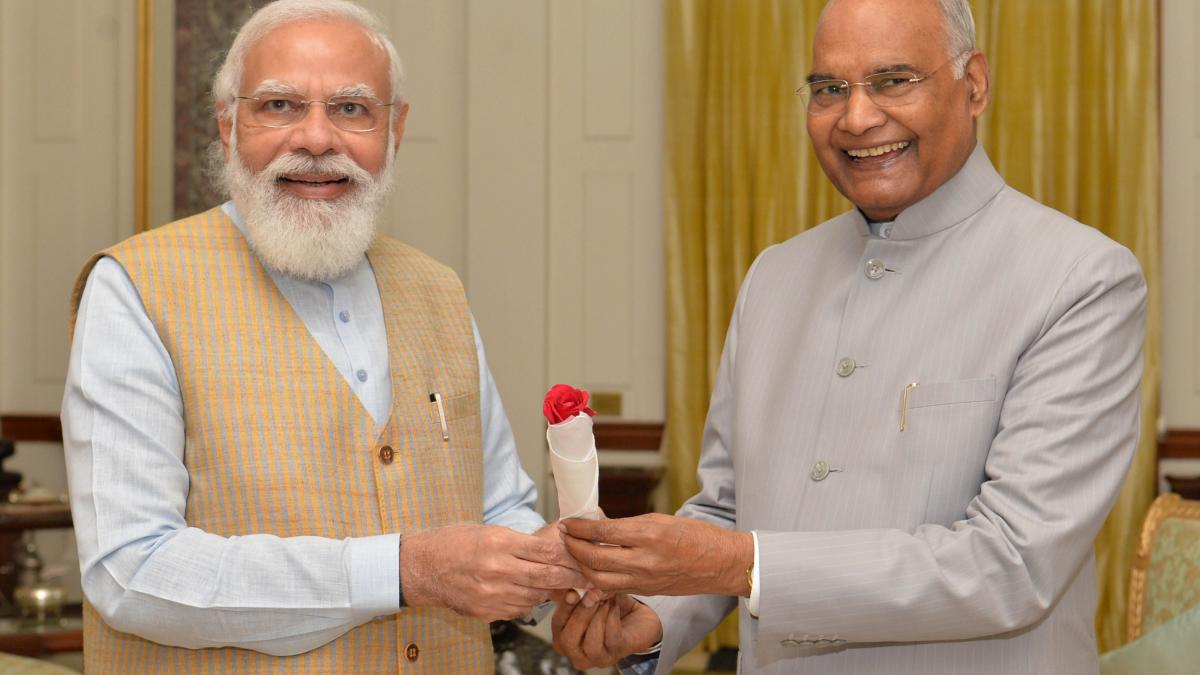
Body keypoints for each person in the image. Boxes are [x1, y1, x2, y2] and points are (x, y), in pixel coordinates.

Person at [551, 0, 1147, 673]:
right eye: (830, 89)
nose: (857, 118)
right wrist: (652, 618)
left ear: (974, 85)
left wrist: (740, 563)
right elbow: (726, 509)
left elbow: (1011, 564)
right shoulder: (775, 276)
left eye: (894, 81)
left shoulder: (1078, 279)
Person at [61, 1, 585, 672]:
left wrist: (559, 578)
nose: (315, 138)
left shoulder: (439, 290)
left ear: (395, 129)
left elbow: (501, 507)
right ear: (227, 126)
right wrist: (400, 570)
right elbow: (132, 569)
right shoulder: (136, 288)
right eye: (279, 106)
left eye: (351, 109)